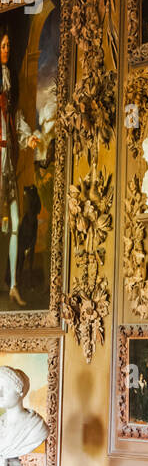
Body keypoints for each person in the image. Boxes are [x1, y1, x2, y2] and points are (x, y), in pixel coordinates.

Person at [0, 30, 43, 306]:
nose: (6, 49)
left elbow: (17, 121)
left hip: (8, 161)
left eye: (8, 45)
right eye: (2, 45)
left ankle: (14, 284)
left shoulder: (10, 103)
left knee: (16, 224)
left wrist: (29, 137)